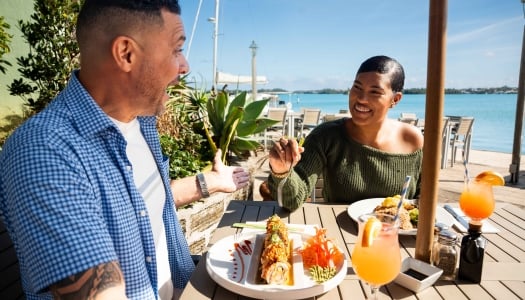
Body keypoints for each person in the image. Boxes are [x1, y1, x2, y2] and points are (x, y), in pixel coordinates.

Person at [0, 1, 250, 299]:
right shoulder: (43, 150)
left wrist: (206, 182)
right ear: (126, 53)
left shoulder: (141, 123)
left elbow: (139, 204)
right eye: (175, 50)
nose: (185, 66)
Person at [267, 55, 424, 211]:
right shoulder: (326, 137)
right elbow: (292, 201)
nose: (362, 98)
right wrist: (281, 170)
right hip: (337, 231)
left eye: (375, 92)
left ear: (395, 99)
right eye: (357, 87)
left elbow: (423, 200)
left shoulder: (413, 140)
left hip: (394, 234)